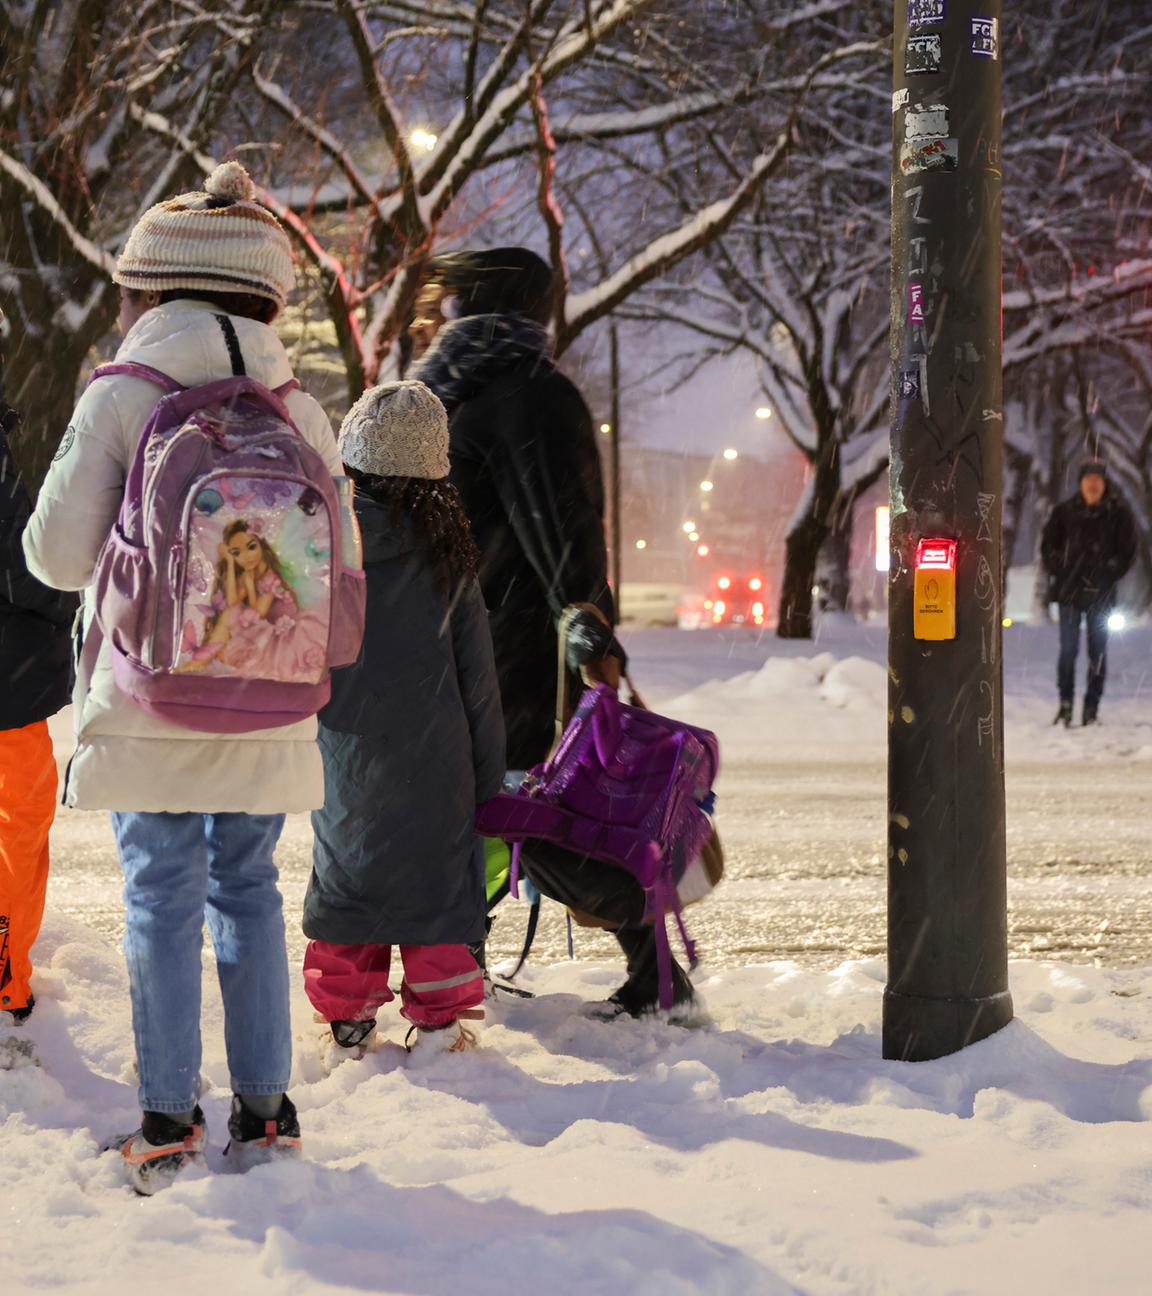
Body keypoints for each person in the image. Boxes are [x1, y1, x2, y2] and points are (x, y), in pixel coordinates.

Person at [23, 162, 341, 1191]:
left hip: (154, 692)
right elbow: (346, 579)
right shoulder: (303, 410)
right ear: (265, 293)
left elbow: (54, 558)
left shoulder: (125, 393)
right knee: (249, 889)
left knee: (160, 892)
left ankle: (166, 1118)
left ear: (147, 288)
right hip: (275, 699)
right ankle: (267, 1111)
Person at [411, 248, 697, 1019]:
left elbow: (560, 531)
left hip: (508, 644)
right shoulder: (505, 390)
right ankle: (651, 976)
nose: (439, 311)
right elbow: (558, 527)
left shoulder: (484, 394)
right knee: (522, 812)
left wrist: (582, 622)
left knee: (525, 814)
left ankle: (462, 968)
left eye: (452, 297)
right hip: (491, 635)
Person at [303, 381, 505, 1057]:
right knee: (437, 888)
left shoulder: (327, 545)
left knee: (348, 880)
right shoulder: (448, 559)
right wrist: (486, 782)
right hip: (437, 761)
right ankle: (443, 1018)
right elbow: (478, 682)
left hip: (345, 753)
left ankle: (346, 1014)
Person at [0, 322, 77, 1029]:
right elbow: (26, 571)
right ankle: (6, 975)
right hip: (7, 690)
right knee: (18, 827)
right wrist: (68, 603)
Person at [1041, 460, 1137, 727]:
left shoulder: (1118, 514)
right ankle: (1066, 705)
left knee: (1098, 652)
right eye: (1088, 480)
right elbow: (1048, 547)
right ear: (1081, 483)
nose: (1093, 485)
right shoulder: (1064, 513)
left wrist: (1108, 571)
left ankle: (1091, 709)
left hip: (1102, 594)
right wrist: (1063, 569)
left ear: (1104, 485)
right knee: (1068, 650)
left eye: (1098, 480)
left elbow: (1128, 551)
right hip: (1069, 592)